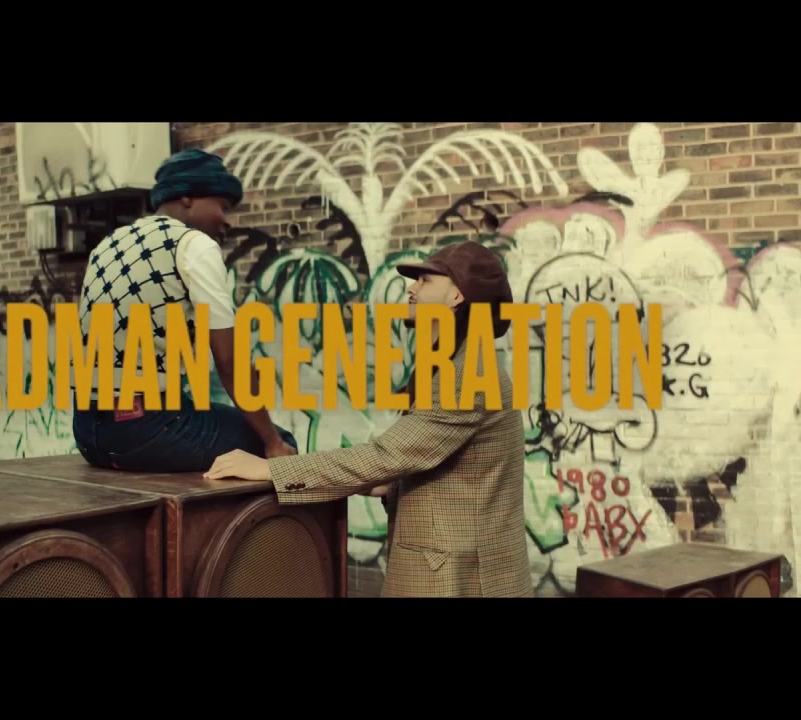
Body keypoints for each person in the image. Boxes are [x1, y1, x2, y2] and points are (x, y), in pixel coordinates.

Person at [204, 240, 532, 598]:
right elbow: (449, 465)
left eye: (425, 281)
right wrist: (391, 485)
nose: (411, 289)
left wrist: (271, 469)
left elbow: (388, 455)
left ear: (456, 296)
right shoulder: (458, 362)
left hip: (456, 578)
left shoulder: (465, 373)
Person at [70, 148, 298, 472]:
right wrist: (273, 442)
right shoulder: (193, 244)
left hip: (87, 433)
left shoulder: (107, 245)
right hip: (148, 430)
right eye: (223, 206)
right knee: (280, 445)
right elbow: (229, 361)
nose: (227, 221)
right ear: (187, 197)